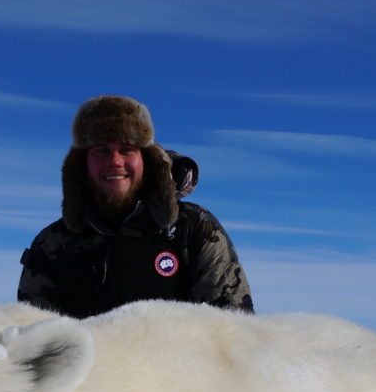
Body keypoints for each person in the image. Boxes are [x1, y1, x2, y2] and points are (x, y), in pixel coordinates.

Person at [18, 95, 254, 318]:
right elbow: (33, 338)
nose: (115, 162)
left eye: (127, 150)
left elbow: (233, 332)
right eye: (101, 151)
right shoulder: (52, 244)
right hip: (87, 361)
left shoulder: (193, 229)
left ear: (147, 158)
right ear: (81, 163)